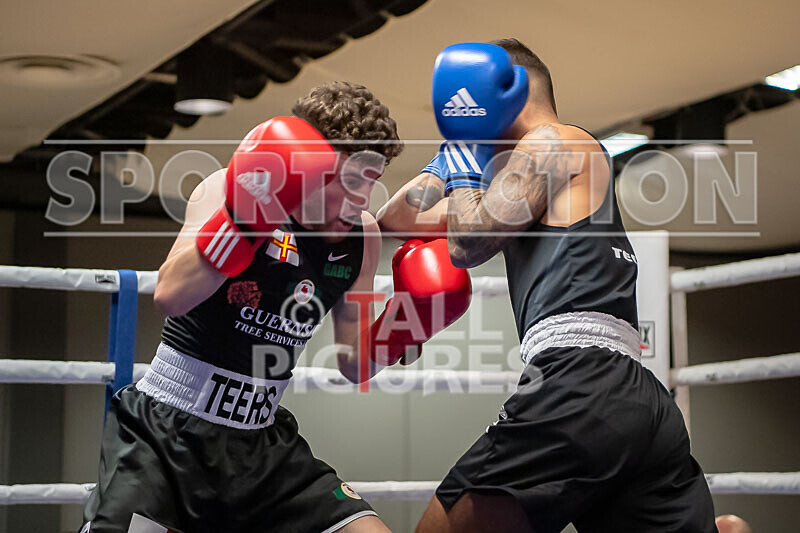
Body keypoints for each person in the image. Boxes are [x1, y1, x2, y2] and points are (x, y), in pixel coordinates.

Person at [81, 81, 471, 533]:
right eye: (350, 179)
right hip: (168, 435)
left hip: (261, 444)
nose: (363, 199)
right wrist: (244, 222)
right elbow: (169, 295)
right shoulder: (227, 188)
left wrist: (410, 324)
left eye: (372, 180)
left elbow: (352, 360)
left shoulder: (360, 238)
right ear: (308, 165)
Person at [378, 39, 717, 532]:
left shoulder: (553, 143)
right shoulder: (518, 181)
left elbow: (467, 244)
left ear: (504, 92)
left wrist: (466, 151)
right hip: (630, 398)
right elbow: (397, 220)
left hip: (579, 385)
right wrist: (448, 159)